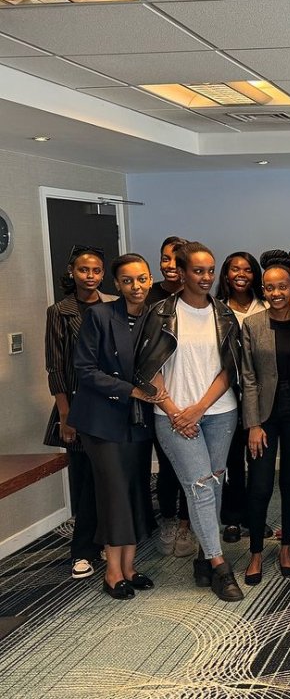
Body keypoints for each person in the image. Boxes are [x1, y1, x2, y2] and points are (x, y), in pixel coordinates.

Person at [134, 241, 244, 602]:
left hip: (219, 412)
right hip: (172, 415)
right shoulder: (160, 313)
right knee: (199, 486)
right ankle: (219, 565)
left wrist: (198, 408)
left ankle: (202, 557)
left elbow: (229, 371)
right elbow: (147, 368)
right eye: (198, 271)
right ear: (181, 273)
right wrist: (174, 410)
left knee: (213, 485)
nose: (206, 277)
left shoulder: (224, 313)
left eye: (210, 270)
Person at [69, 253, 159, 599]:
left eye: (142, 279)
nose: (136, 286)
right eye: (127, 280)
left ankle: (130, 567)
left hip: (138, 419)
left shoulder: (156, 317)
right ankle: (112, 572)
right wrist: (131, 390)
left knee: (134, 488)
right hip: (102, 420)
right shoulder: (100, 315)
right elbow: (85, 370)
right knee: (114, 492)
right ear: (117, 284)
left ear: (150, 280)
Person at [241, 261, 290, 585]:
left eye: (282, 287)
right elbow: (248, 377)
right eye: (270, 288)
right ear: (263, 290)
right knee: (260, 483)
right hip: (264, 413)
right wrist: (253, 424)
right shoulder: (252, 324)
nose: (276, 293)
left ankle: (286, 547)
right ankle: (256, 552)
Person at [44, 244, 116, 580]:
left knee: (107, 478)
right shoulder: (60, 312)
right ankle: (81, 551)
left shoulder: (111, 306)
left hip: (109, 405)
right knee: (85, 479)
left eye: (96, 270)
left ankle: (102, 540)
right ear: (72, 272)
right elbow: (56, 366)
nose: (90, 276)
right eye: (84, 270)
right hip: (76, 407)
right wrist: (65, 415)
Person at [145, 236, 196, 558]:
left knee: (193, 469)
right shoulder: (148, 298)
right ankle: (167, 520)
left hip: (195, 400)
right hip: (159, 399)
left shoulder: (198, 299)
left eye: (178, 259)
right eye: (166, 258)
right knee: (167, 466)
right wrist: (168, 404)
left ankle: (186, 525)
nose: (171, 265)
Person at [215, 251, 265, 544]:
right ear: (226, 274)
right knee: (232, 459)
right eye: (235, 269)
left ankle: (254, 517)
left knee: (257, 459)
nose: (241, 275)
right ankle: (232, 518)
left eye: (247, 269)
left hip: (259, 394)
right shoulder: (216, 309)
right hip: (228, 393)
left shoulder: (265, 306)